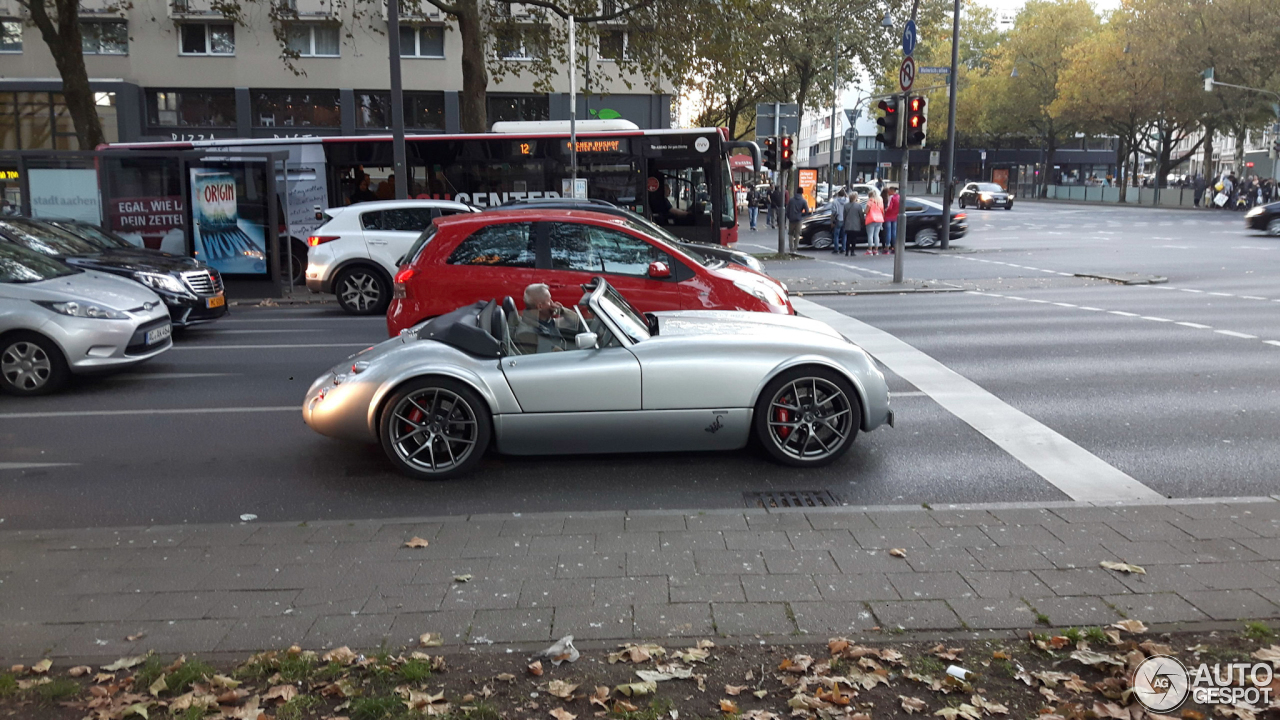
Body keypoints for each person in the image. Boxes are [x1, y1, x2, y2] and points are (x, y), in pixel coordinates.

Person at [513, 283, 582, 354]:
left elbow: (576, 320)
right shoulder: (527, 333)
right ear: (540, 306)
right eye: (549, 300)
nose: (552, 303)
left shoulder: (546, 321)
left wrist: (562, 310)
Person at [842, 191, 866, 257]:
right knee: (854, 239)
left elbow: (844, 215)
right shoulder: (858, 206)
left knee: (848, 238)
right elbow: (861, 216)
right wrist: (862, 223)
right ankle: (852, 251)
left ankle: (847, 252)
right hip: (856, 224)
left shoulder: (846, 205)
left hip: (848, 224)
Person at [864, 188, 885, 255]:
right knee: (876, 235)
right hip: (879, 219)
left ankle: (870, 250)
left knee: (870, 235)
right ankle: (876, 250)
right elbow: (882, 211)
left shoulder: (870, 200)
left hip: (871, 219)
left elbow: (866, 211)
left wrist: (864, 212)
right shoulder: (880, 201)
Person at [830, 189, 849, 254]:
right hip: (845, 219)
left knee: (836, 235)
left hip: (838, 219)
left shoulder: (835, 201)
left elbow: (834, 211)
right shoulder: (847, 200)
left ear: (838, 194)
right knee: (844, 235)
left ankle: (836, 249)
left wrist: (832, 221)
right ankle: (843, 248)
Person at [883, 186, 900, 255]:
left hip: (889, 216)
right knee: (894, 232)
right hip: (895, 216)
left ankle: (887, 247)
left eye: (889, 191)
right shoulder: (899, 197)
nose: (888, 192)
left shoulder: (891, 197)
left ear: (892, 191)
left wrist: (885, 210)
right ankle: (894, 247)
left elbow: (889, 207)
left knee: (888, 232)